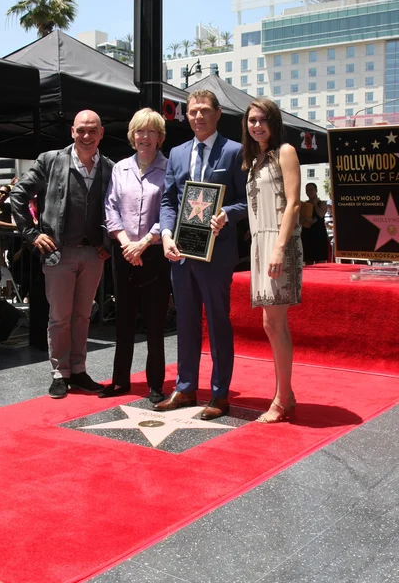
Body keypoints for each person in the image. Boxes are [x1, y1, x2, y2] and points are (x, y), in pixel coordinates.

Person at [154, 89, 247, 420]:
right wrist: (165, 235)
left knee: (218, 322)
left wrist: (228, 214)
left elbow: (247, 200)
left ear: (218, 113)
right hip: (180, 251)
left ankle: (220, 394)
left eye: (205, 110)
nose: (198, 117)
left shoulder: (235, 152)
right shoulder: (177, 153)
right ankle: (186, 387)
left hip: (217, 252)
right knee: (186, 321)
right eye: (192, 112)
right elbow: (168, 201)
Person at [11, 110, 113, 399]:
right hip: (59, 253)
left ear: (101, 133)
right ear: (72, 131)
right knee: (59, 317)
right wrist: (32, 234)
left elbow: (118, 207)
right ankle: (59, 372)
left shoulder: (109, 167)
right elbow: (19, 195)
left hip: (94, 254)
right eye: (81, 129)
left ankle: (78, 369)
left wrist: (108, 240)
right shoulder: (51, 160)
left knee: (82, 316)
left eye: (92, 130)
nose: (86, 135)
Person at [100, 108, 171, 402]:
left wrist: (142, 243)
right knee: (125, 318)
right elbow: (110, 207)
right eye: (140, 131)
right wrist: (126, 243)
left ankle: (155, 383)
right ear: (132, 136)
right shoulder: (120, 168)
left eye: (151, 132)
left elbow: (170, 208)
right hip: (123, 252)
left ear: (159, 138)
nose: (145, 137)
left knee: (155, 321)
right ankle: (120, 381)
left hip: (154, 253)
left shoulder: (169, 168)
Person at [242, 98, 303, 423]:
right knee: (271, 323)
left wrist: (279, 247)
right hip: (260, 244)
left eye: (263, 120)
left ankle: (283, 398)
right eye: (252, 120)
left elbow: (293, 204)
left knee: (275, 323)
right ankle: (286, 394)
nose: (257, 125)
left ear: (274, 121)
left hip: (279, 242)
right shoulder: (254, 160)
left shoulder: (285, 152)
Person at [300, 182, 329, 264]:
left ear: (316, 190)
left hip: (319, 232)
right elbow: (299, 219)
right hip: (307, 232)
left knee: (320, 258)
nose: (309, 192)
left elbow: (321, 214)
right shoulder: (304, 204)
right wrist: (306, 219)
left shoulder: (322, 203)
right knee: (308, 258)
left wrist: (315, 203)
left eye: (311, 189)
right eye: (307, 190)